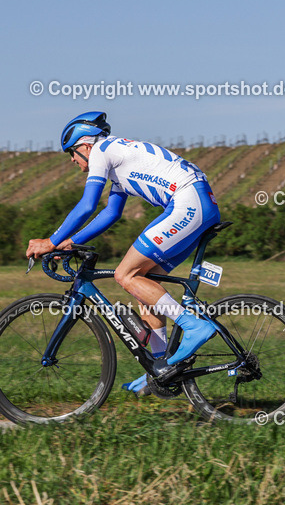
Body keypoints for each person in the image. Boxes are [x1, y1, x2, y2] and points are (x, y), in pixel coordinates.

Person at [25, 112, 221, 392]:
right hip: (199, 204)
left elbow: (87, 205)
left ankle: (194, 326)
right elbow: (111, 213)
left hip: (188, 202)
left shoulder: (103, 152)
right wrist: (70, 243)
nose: (71, 160)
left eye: (71, 153)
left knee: (125, 274)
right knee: (143, 284)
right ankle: (161, 370)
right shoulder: (119, 157)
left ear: (85, 145)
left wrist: (52, 241)